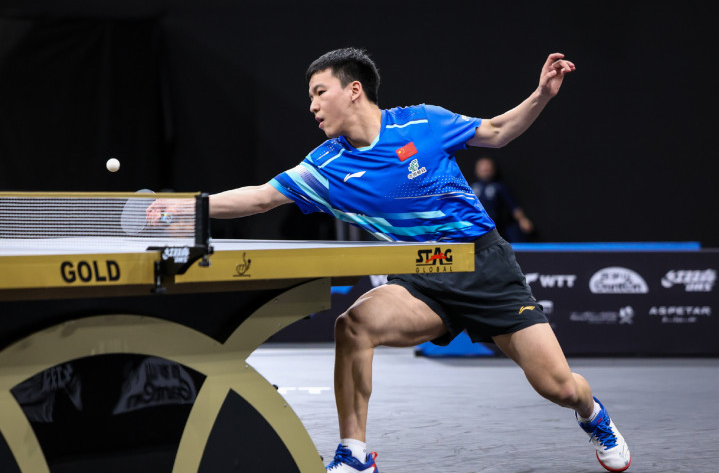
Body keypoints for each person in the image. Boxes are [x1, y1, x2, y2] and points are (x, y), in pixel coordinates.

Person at [147, 48, 630, 472]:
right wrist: (190, 207)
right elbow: (260, 197)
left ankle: (593, 416)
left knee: (559, 387)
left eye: (320, 92)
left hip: (485, 266)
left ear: (354, 90)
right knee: (354, 326)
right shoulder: (327, 166)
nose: (312, 105)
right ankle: (355, 454)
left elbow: (499, 131)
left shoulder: (423, 123)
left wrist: (541, 94)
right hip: (422, 275)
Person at [471, 156, 535, 243]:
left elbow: (512, 205)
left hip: (496, 226)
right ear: (476, 170)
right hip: (475, 226)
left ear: (493, 169)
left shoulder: (499, 187)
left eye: (488, 167)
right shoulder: (471, 188)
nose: (485, 169)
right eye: (482, 167)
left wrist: (522, 219)